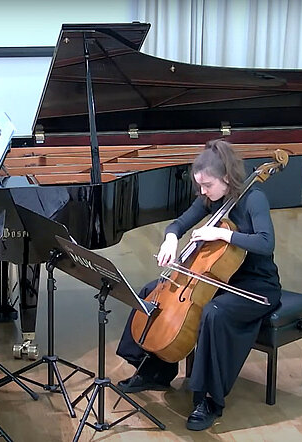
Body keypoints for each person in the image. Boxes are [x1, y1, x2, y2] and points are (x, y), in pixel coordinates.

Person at [115, 139, 282, 431]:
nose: (203, 192)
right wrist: (170, 239)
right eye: (199, 186)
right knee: (150, 292)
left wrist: (222, 234)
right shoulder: (211, 198)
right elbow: (179, 224)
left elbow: (266, 243)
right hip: (217, 278)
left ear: (226, 178)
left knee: (214, 314)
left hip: (256, 285)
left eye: (207, 185)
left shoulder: (254, 199)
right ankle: (154, 371)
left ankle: (209, 399)